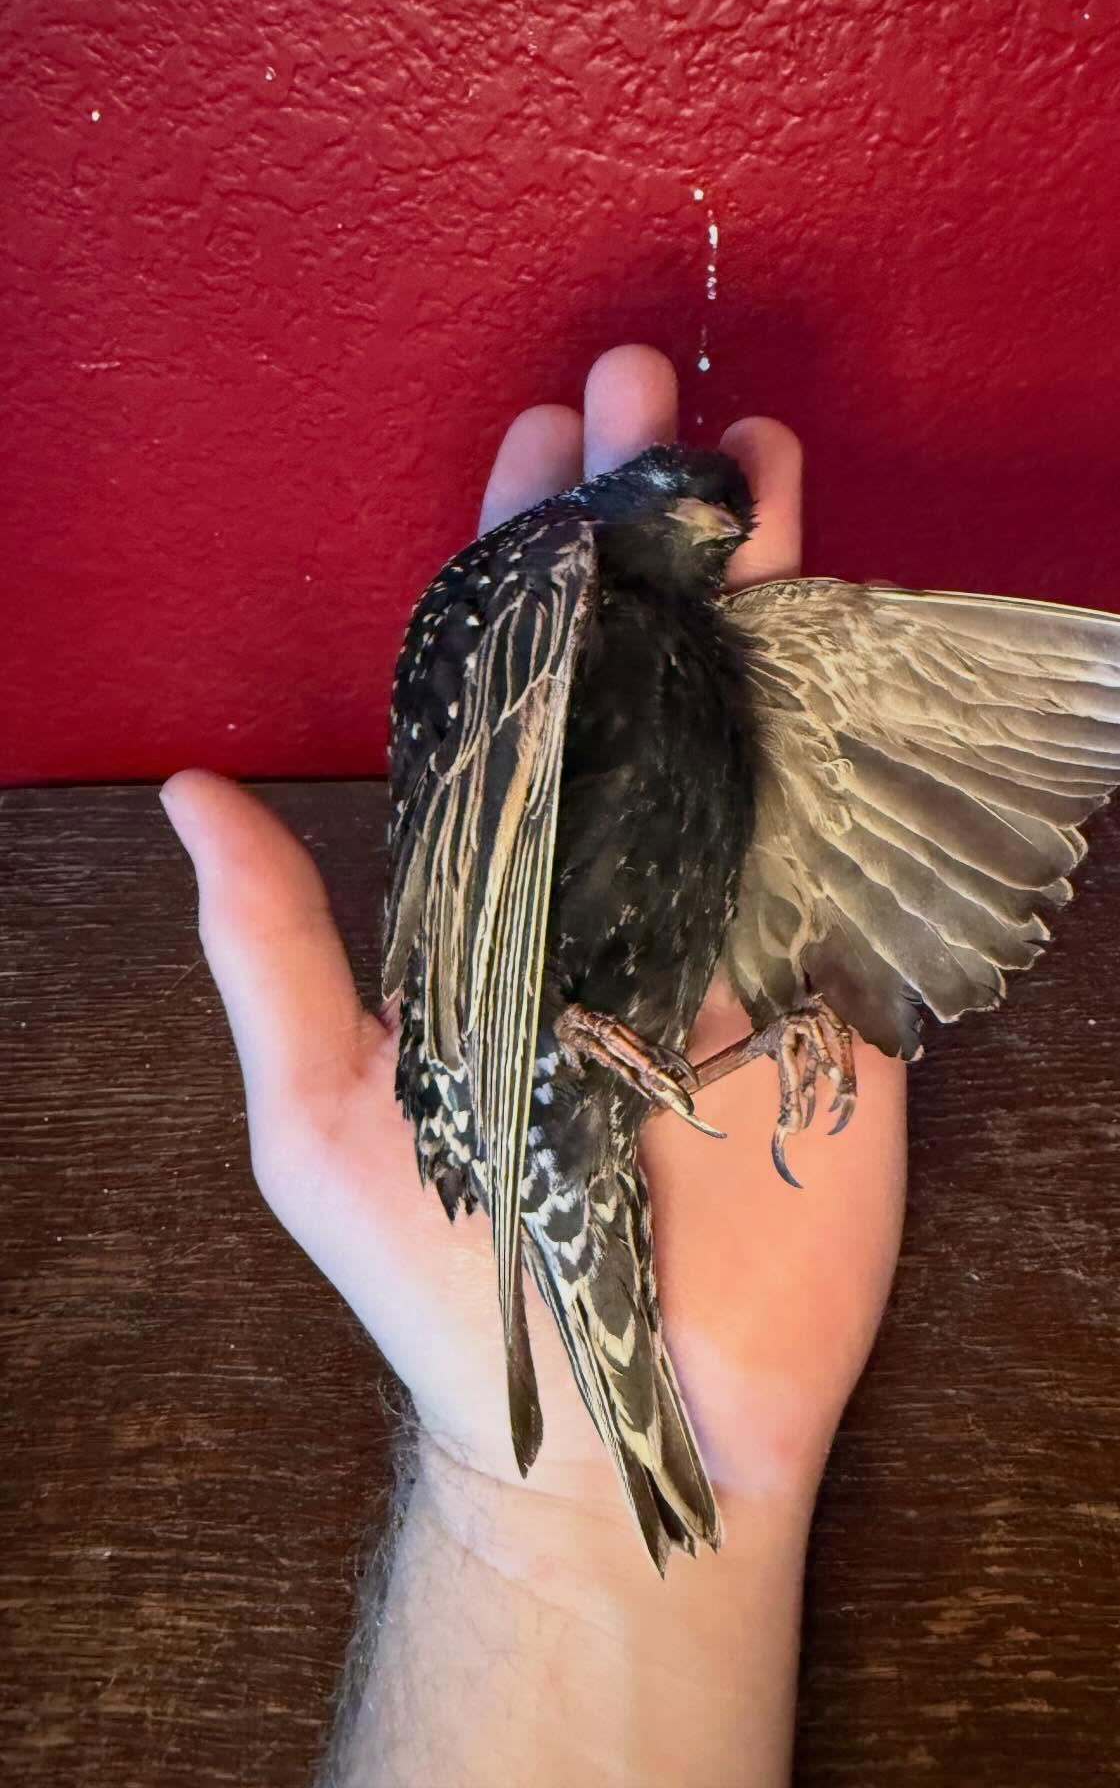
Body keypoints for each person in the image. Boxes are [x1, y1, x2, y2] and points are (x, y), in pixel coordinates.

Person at [161, 345, 909, 1787]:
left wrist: (560, 1515)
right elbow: (493, 880)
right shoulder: (535, 593)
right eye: (691, 530)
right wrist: (505, 1033)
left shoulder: (673, 645)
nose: (713, 552)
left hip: (617, 1003)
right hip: (530, 1044)